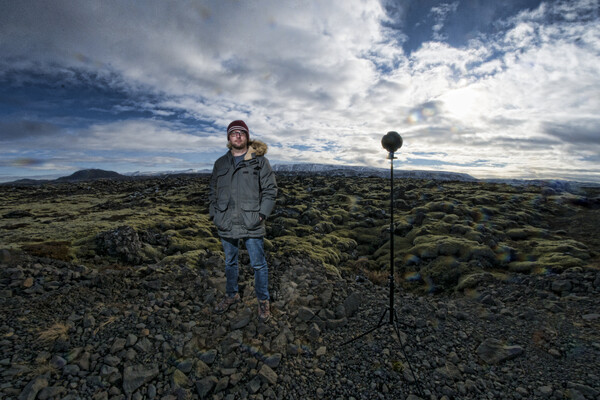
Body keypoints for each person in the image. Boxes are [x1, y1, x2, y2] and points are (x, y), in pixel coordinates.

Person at [209, 120, 277, 322]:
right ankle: (232, 295)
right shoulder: (220, 163)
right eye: (233, 133)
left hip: (251, 221)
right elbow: (212, 191)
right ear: (229, 138)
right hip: (226, 221)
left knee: (258, 264)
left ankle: (263, 301)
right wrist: (215, 214)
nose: (237, 136)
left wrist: (262, 215)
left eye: (241, 133)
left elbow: (270, 190)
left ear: (247, 137)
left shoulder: (259, 161)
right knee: (230, 262)